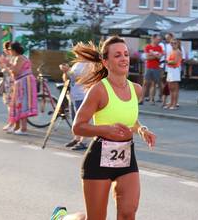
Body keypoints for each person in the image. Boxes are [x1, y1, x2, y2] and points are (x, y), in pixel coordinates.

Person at [50, 36, 156, 220]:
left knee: (128, 213)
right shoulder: (99, 90)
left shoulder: (136, 89)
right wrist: (105, 130)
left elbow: (128, 116)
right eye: (117, 55)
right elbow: (78, 126)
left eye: (125, 54)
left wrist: (141, 129)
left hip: (126, 158)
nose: (124, 58)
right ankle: (61, 218)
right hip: (99, 158)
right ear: (106, 62)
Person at [6, 42, 38, 135]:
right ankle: (19, 127)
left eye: (9, 50)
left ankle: (23, 128)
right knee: (21, 103)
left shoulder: (19, 58)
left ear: (14, 50)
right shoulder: (21, 57)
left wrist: (7, 65)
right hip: (24, 81)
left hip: (24, 82)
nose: (9, 51)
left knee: (22, 103)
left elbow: (15, 71)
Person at [60, 61, 87, 150]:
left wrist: (68, 71)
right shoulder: (77, 64)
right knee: (74, 119)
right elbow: (67, 79)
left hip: (82, 95)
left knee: (82, 120)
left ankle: (83, 141)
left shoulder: (89, 64)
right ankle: (76, 138)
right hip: (73, 95)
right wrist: (65, 72)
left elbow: (83, 79)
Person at [0, 41, 15, 132]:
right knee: (9, 104)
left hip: (12, 83)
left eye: (7, 49)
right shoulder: (9, 57)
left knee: (11, 104)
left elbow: (10, 70)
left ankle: (12, 123)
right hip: (8, 82)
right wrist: (0, 63)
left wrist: (2, 63)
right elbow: (3, 69)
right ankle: (12, 123)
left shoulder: (13, 58)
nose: (6, 51)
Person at [140, 34, 163, 105]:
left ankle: (152, 99)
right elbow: (147, 57)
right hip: (149, 66)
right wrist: (155, 56)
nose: (159, 40)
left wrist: (152, 55)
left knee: (154, 83)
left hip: (156, 67)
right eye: (158, 39)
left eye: (159, 39)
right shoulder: (148, 46)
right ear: (153, 39)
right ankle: (141, 99)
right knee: (145, 83)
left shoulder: (159, 47)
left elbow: (159, 57)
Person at [164, 39, 182, 110]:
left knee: (174, 88)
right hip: (170, 70)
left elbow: (175, 62)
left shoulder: (178, 52)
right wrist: (168, 61)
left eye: (175, 43)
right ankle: (171, 103)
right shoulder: (172, 51)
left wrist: (167, 61)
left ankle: (174, 104)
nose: (173, 44)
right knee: (170, 88)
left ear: (178, 44)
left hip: (175, 70)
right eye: (172, 43)